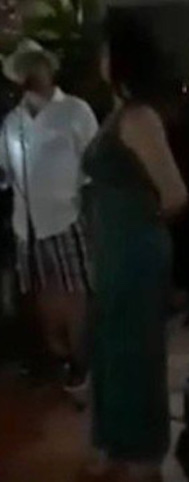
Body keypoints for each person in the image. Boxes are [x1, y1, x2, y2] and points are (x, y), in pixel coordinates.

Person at [83, 13, 188, 481]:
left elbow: (175, 194)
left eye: (106, 50)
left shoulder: (140, 117)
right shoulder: (120, 111)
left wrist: (136, 224)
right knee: (110, 349)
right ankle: (115, 445)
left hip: (134, 250)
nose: (99, 58)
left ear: (121, 57)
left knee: (135, 352)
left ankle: (144, 456)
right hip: (114, 247)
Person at [0, 39, 97, 393]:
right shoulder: (13, 121)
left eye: (36, 64)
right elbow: (5, 171)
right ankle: (58, 357)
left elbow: (94, 164)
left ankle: (82, 362)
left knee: (74, 293)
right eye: (24, 67)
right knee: (42, 295)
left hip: (66, 218)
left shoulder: (75, 111)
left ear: (48, 67)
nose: (31, 73)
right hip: (26, 225)